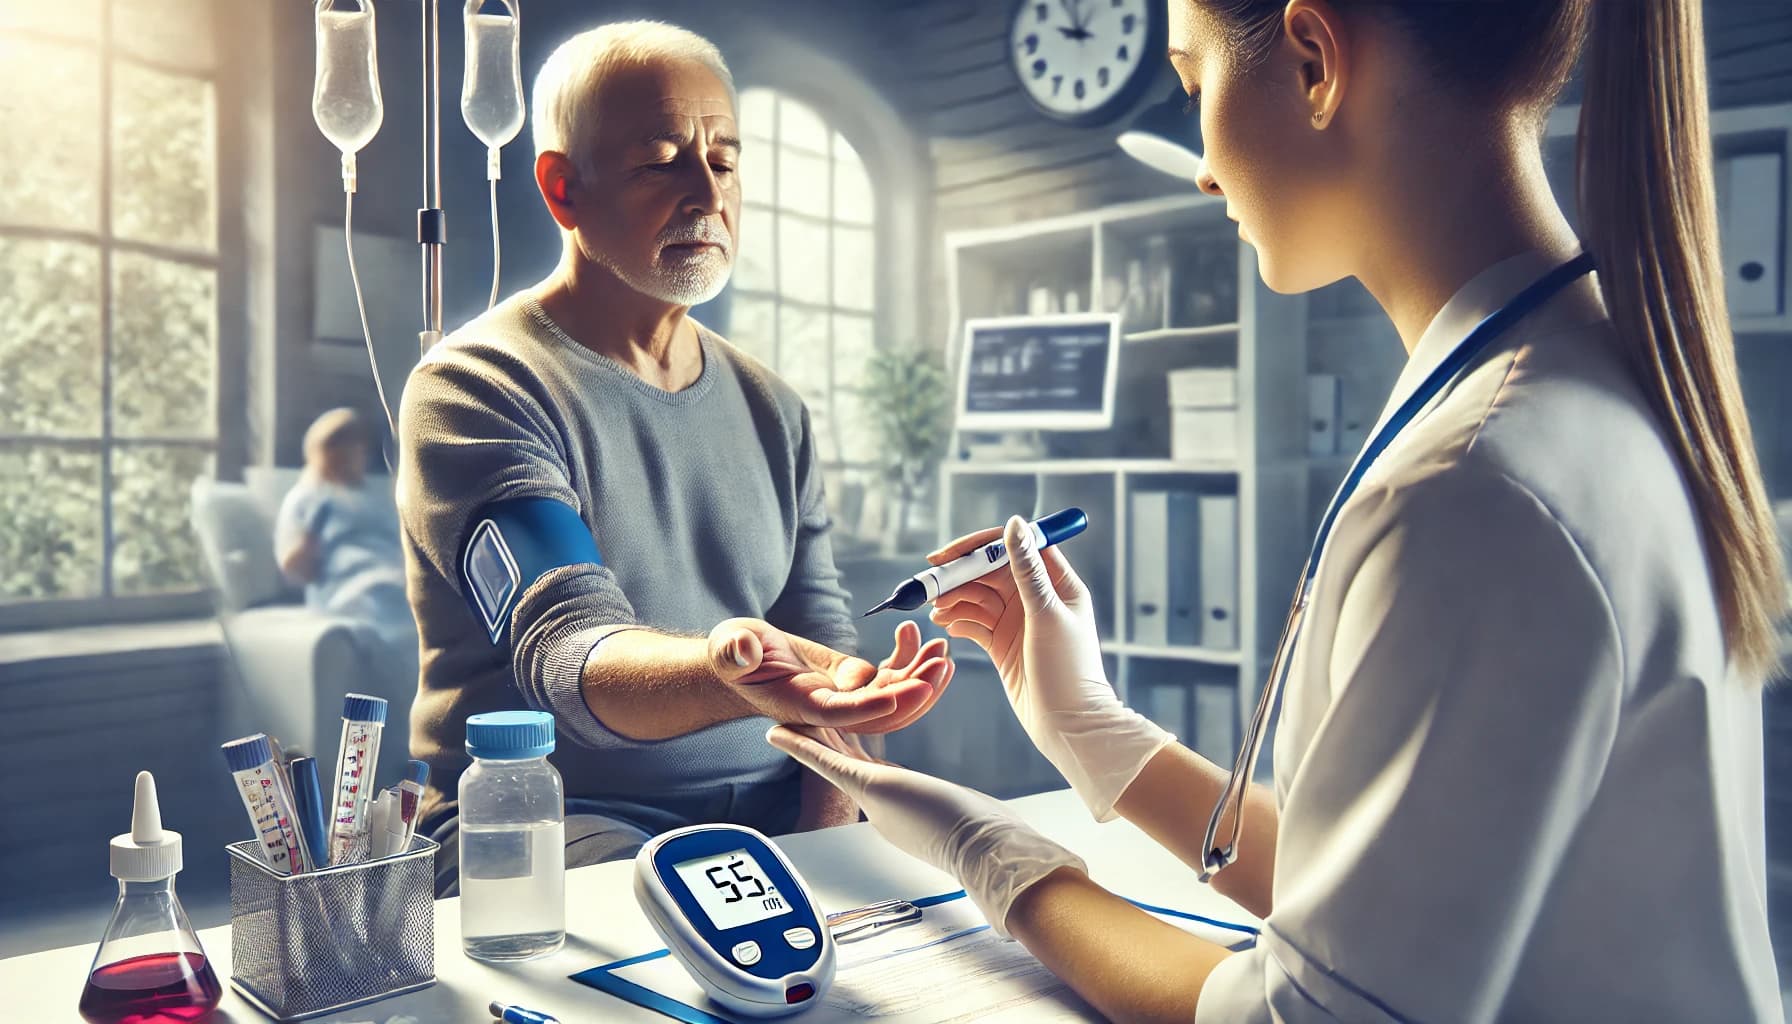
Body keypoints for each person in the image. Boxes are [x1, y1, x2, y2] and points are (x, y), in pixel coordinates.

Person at [771, 1, 1787, 1020]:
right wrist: (1095, 731)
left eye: (1191, 85)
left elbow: (1305, 1014)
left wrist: (988, 853)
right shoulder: (1587, 378)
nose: (1202, 166)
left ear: (1311, 61)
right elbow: (1381, 892)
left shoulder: (1474, 491)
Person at [395, 20, 950, 895]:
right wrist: (745, 673)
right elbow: (567, 652)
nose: (706, 194)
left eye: (724, 162)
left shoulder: (775, 407)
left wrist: (824, 829)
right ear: (562, 188)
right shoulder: (478, 385)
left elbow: (828, 640)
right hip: (554, 824)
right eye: (660, 160)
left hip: (779, 817)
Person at [275, 407, 416, 660]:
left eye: (355, 444)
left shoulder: (378, 496)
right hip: (348, 586)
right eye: (339, 446)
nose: (351, 453)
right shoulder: (305, 497)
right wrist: (314, 531)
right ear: (321, 451)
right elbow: (294, 570)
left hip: (396, 575)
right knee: (385, 601)